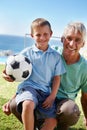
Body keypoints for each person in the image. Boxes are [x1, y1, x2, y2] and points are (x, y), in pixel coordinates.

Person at [2, 18, 66, 130]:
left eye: (45, 34)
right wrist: (6, 75)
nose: (42, 38)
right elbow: (11, 67)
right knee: (27, 104)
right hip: (29, 88)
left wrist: (52, 96)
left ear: (51, 34)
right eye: (38, 35)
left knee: (51, 121)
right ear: (32, 36)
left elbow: (57, 78)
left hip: (46, 92)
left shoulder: (56, 56)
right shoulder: (26, 53)